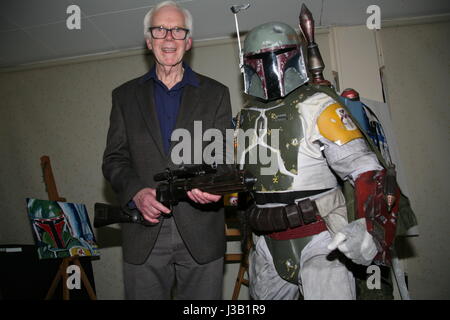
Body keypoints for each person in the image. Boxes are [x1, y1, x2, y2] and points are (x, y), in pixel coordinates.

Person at [235, 20, 403, 299]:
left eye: (276, 58)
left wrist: (368, 228)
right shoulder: (245, 117)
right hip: (266, 240)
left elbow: (365, 169)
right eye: (257, 61)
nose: (267, 69)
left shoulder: (319, 106)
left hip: (322, 238)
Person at [102, 1, 232, 299]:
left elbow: (224, 158)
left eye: (177, 30)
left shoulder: (216, 94)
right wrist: (136, 192)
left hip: (202, 233)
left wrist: (213, 185)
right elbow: (114, 159)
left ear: (189, 41)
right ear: (149, 41)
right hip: (143, 232)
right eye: (160, 30)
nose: (169, 38)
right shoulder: (124, 97)